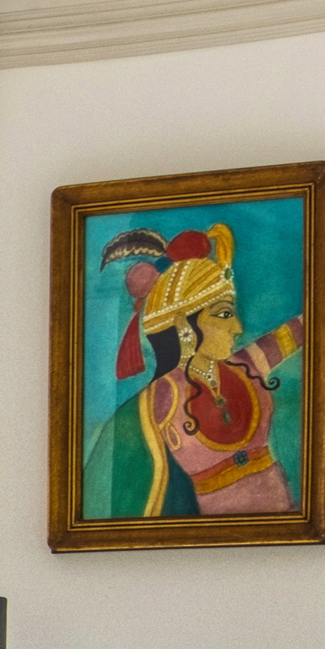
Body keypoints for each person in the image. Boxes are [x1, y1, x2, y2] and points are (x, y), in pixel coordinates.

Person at [94, 223, 304, 520]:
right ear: (183, 324)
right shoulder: (159, 400)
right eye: (224, 315)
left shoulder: (245, 366)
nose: (237, 328)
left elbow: (305, 326)